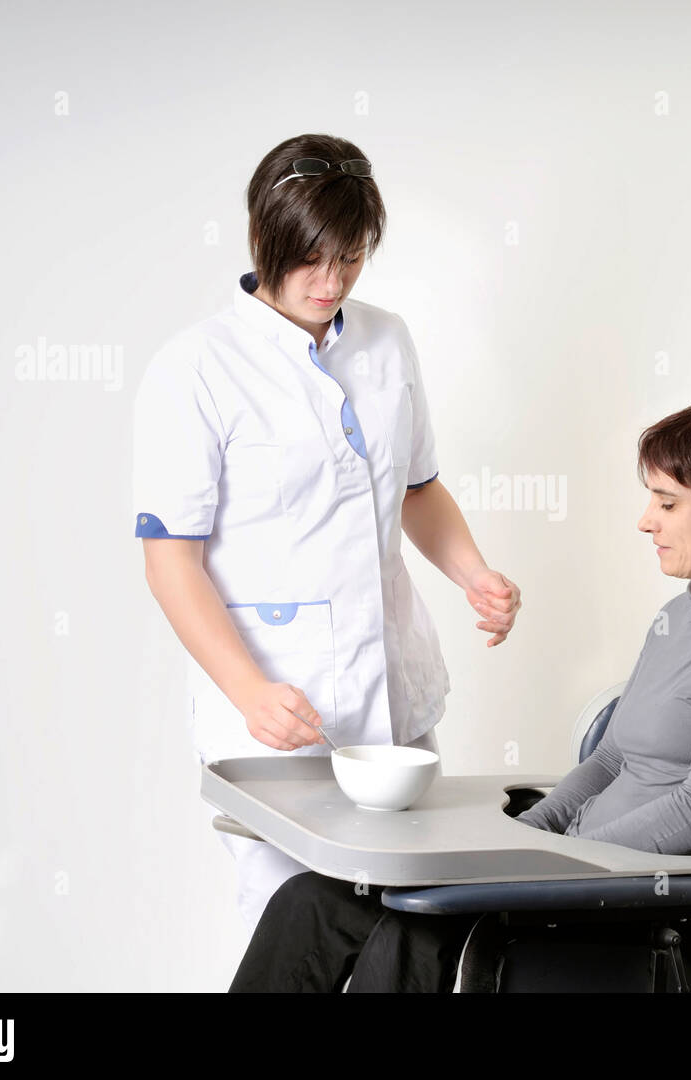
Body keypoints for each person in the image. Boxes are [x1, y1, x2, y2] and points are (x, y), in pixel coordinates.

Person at [228, 398, 691, 992]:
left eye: (668, 503)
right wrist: (525, 839)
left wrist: (555, 864)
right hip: (570, 865)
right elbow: (610, 761)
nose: (646, 521)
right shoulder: (679, 615)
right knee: (314, 898)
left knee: (413, 929)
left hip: (634, 889)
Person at [132, 133, 522, 938]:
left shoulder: (387, 339)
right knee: (294, 928)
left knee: (412, 923)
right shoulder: (196, 368)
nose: (331, 280)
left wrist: (473, 573)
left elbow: (418, 488)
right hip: (278, 703)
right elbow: (171, 560)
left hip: (393, 686)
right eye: (311, 258)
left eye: (349, 258)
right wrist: (249, 692)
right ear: (263, 238)